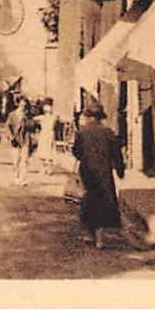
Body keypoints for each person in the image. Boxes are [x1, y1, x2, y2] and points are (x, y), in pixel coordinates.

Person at [71, 100, 126, 248]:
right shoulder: (108, 132)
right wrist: (120, 170)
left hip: (87, 171)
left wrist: (84, 157)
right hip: (103, 171)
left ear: (89, 116)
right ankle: (100, 238)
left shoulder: (82, 132)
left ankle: (89, 234)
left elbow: (76, 152)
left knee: (89, 199)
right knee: (102, 201)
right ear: (101, 117)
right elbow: (116, 154)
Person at [6, 99, 34, 186]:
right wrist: (11, 137)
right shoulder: (12, 115)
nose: (22, 107)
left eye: (24, 106)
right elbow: (7, 127)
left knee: (24, 160)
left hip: (25, 140)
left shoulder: (28, 116)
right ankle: (16, 176)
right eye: (21, 105)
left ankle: (23, 179)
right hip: (15, 140)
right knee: (16, 160)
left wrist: (26, 120)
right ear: (18, 105)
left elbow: (32, 126)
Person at [34, 98, 60, 174]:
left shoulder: (54, 117)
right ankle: (42, 168)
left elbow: (58, 119)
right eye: (45, 106)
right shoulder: (41, 117)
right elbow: (34, 119)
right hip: (43, 134)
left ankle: (49, 168)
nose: (47, 108)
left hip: (50, 134)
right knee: (42, 150)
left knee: (50, 150)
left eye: (49, 106)